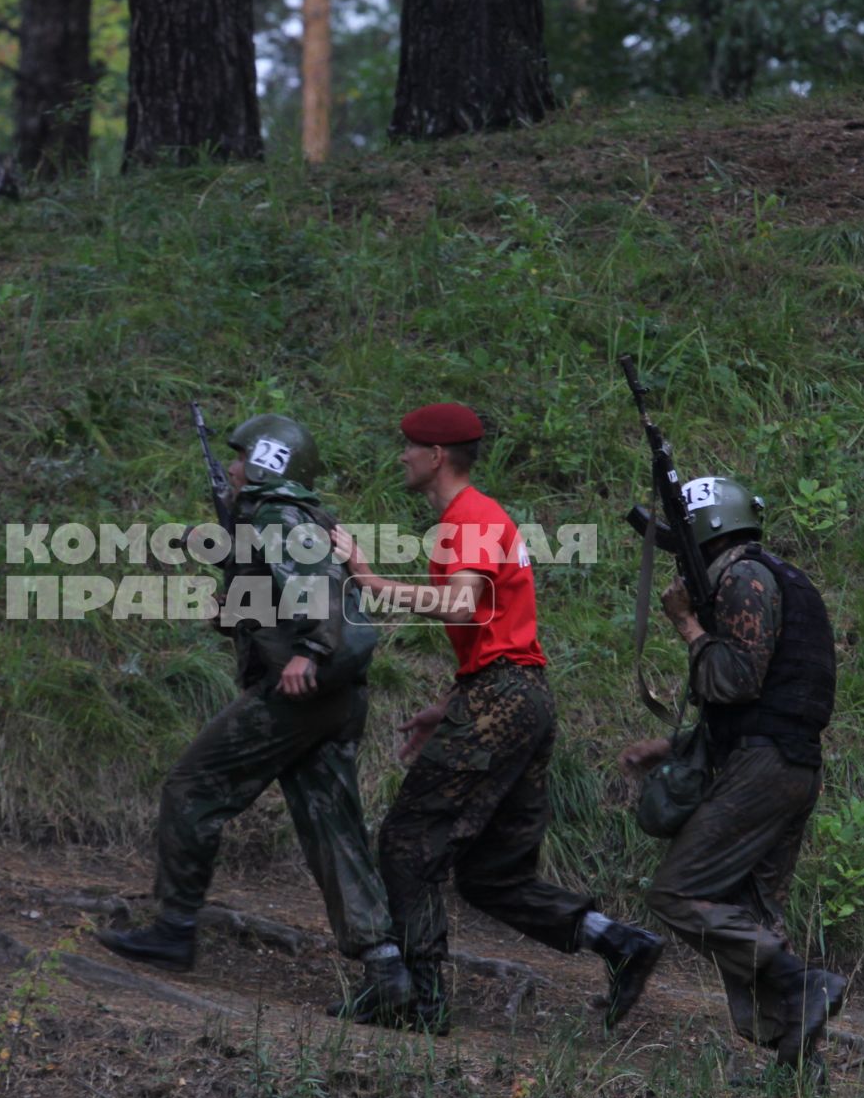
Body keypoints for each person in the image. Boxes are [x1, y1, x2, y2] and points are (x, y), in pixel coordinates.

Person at [332, 402, 661, 1034]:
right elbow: (491, 629)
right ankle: (619, 941)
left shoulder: (473, 517)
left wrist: (369, 578)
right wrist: (453, 707)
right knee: (490, 874)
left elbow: (461, 605)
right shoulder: (471, 518)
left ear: (435, 457)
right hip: (513, 698)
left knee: (407, 845)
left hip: (505, 698)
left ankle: (418, 1003)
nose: (401, 456)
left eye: (409, 447)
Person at [98, 414, 411, 1020]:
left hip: (300, 691)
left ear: (268, 466)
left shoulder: (273, 516)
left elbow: (320, 593)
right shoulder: (301, 517)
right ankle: (387, 968)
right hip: (338, 699)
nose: (232, 469)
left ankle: (174, 928)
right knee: (332, 827)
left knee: (194, 786)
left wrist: (309, 652)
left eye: (240, 460)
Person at [618, 476, 845, 1083]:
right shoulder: (775, 577)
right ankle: (798, 1066)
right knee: (751, 913)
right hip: (785, 765)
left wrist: (688, 625)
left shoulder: (744, 579)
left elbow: (737, 679)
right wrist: (670, 745)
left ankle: (803, 982)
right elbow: (766, 700)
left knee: (678, 892)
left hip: (764, 769)